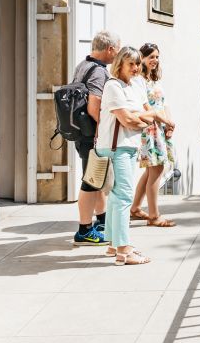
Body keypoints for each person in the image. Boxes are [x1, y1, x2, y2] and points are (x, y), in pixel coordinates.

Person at [95, 46, 169, 265]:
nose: (136, 68)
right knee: (123, 197)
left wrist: (141, 116)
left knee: (117, 197)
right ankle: (124, 250)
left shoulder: (133, 85)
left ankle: (112, 245)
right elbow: (128, 120)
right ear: (120, 64)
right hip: (116, 148)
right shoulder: (113, 86)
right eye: (131, 64)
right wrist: (142, 118)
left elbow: (144, 114)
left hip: (127, 146)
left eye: (138, 63)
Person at [71, 30, 120, 246]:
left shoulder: (84, 64)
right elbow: (94, 106)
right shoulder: (99, 72)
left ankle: (101, 220)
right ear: (110, 49)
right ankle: (84, 230)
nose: (117, 54)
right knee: (91, 180)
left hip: (82, 132)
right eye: (117, 50)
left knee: (96, 177)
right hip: (92, 133)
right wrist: (103, 130)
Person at [130, 43, 176, 227]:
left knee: (151, 171)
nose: (155, 60)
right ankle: (154, 216)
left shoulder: (154, 79)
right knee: (156, 170)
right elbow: (144, 107)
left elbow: (164, 104)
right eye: (151, 57)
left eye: (157, 57)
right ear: (142, 58)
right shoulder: (139, 80)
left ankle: (135, 209)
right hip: (149, 128)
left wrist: (169, 123)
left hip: (160, 127)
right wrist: (164, 123)